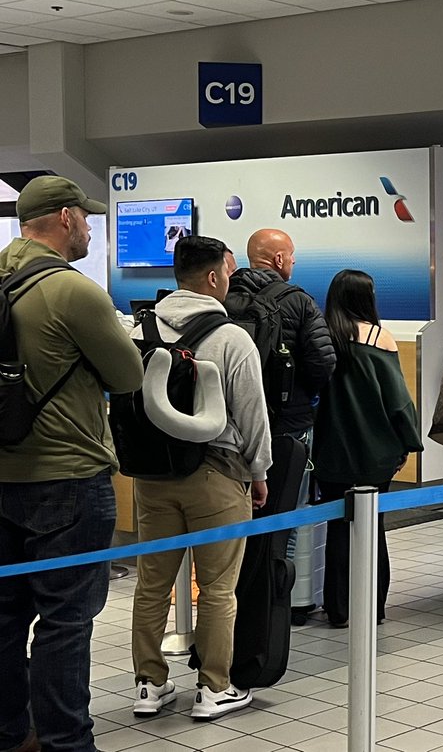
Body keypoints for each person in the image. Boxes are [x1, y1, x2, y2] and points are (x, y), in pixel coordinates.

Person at [0, 176, 144, 752]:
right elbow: (128, 375)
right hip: (66, 476)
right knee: (64, 622)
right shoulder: (72, 290)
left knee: (5, 619)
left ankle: (11, 735)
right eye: (84, 217)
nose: (88, 226)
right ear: (64, 218)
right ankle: (66, 742)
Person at [129, 236, 272, 722]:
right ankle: (214, 687)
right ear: (213, 278)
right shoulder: (231, 337)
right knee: (216, 587)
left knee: (153, 583)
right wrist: (260, 471)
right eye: (227, 272)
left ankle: (149, 685)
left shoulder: (138, 329)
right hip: (217, 472)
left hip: (151, 476)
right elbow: (253, 413)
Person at [313, 270, 423, 627]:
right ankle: (373, 606)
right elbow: (398, 402)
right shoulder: (380, 338)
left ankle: (338, 609)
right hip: (375, 453)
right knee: (372, 528)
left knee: (336, 529)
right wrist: (410, 440)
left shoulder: (320, 339)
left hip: (329, 452)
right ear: (366, 299)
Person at [228, 228, 336, 439]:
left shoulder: (224, 296)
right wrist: (300, 394)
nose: (293, 260)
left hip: (233, 417)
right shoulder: (299, 301)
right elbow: (323, 362)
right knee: (290, 472)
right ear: (278, 259)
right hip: (287, 421)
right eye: (291, 254)